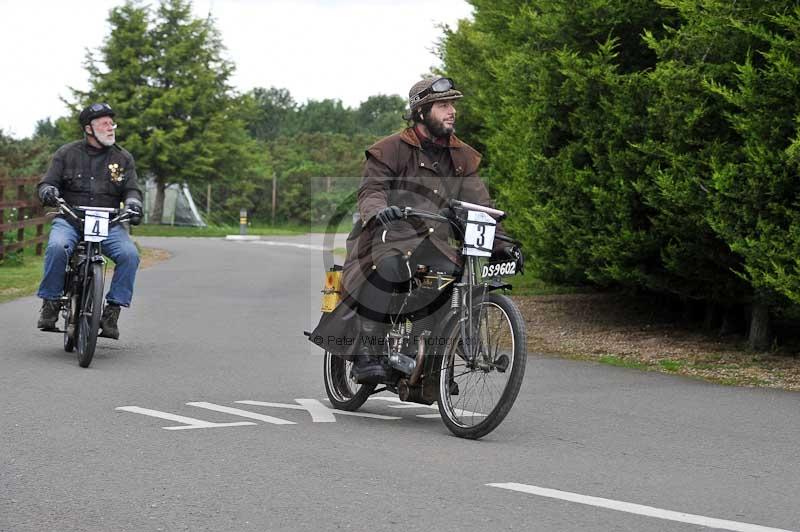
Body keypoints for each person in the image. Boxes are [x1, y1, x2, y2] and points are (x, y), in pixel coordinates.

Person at [310, 77, 520, 383]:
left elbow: (481, 208)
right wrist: (379, 212)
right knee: (389, 267)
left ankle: (429, 358)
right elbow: (371, 190)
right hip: (385, 237)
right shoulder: (390, 149)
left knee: (455, 278)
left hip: (433, 243)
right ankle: (368, 354)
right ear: (421, 112)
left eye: (453, 105)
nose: (452, 112)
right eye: (443, 105)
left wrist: (505, 245)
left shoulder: (461, 156)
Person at [36, 102, 143, 339]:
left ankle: (112, 312)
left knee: (130, 255)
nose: (110, 127)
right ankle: (51, 303)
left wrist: (134, 203)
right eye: (104, 123)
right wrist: (48, 191)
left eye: (111, 122)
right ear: (88, 128)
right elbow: (47, 182)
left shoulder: (123, 157)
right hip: (71, 218)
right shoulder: (66, 153)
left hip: (109, 222)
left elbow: (132, 189)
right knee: (56, 247)